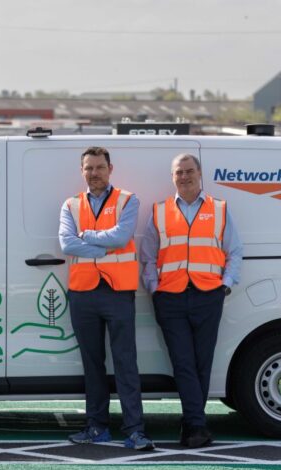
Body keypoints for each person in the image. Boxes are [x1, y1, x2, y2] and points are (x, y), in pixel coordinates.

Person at [141, 153, 243, 448]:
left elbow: (235, 251)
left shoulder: (219, 209)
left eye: (188, 171)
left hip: (208, 295)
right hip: (170, 298)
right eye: (178, 173)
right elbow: (148, 255)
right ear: (172, 177)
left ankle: (193, 422)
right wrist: (153, 286)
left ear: (200, 174)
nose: (183, 177)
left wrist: (225, 284)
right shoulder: (159, 211)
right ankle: (196, 425)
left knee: (202, 362)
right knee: (183, 362)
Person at [58, 146, 154, 451]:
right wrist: (100, 245)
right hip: (83, 293)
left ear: (110, 169)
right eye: (88, 168)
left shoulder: (128, 199)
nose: (94, 173)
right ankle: (96, 427)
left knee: (126, 361)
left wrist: (86, 236)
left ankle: (135, 430)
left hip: (117, 292)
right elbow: (66, 244)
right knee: (92, 364)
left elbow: (121, 237)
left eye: (99, 167)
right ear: (82, 171)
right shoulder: (70, 205)